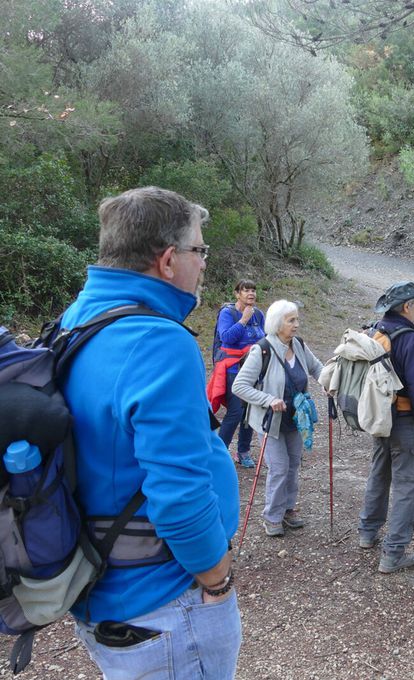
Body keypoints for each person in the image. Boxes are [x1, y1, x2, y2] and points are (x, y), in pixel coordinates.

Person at [59, 186, 241, 678]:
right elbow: (179, 495)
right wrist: (217, 580)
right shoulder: (157, 341)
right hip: (163, 606)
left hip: (104, 594)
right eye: (199, 251)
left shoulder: (77, 322)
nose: (203, 264)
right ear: (167, 261)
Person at [357, 281, 414, 574]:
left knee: (379, 474)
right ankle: (393, 553)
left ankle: (367, 532)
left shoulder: (376, 331)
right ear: (406, 307)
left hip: (380, 419)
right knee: (405, 486)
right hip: (405, 421)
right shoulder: (409, 340)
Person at [233, 299, 323, 537]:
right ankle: (272, 516)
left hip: (295, 419)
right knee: (280, 468)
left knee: (293, 465)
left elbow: (316, 369)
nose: (296, 324)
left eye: (297, 319)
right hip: (270, 420)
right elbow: (239, 386)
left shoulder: (299, 345)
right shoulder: (262, 349)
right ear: (277, 322)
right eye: (291, 320)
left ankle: (288, 510)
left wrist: (329, 383)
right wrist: (268, 399)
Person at [209, 279, 265, 468]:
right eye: (246, 290)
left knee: (249, 413)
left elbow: (264, 338)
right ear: (237, 294)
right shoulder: (228, 313)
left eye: (253, 290)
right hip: (233, 368)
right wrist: (243, 321)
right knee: (235, 411)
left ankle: (243, 452)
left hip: (254, 368)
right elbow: (226, 338)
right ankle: (220, 453)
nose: (251, 294)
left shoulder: (259, 314)